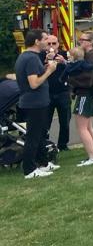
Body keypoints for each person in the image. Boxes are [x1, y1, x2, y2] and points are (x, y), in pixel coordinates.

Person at [16, 29, 59, 179]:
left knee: (40, 135)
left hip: (37, 102)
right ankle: (29, 169)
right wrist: (50, 71)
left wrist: (46, 68)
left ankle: (43, 163)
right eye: (45, 39)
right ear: (36, 41)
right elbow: (34, 84)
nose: (47, 42)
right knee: (33, 137)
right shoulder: (31, 58)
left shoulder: (29, 57)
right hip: (34, 103)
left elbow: (35, 76)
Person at [66, 35, 93, 167]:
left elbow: (87, 79)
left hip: (85, 94)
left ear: (90, 42)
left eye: (82, 40)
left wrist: (69, 81)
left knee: (82, 128)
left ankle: (92, 156)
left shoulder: (89, 57)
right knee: (88, 127)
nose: (79, 42)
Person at [44, 34, 71, 151]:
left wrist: (64, 61)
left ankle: (63, 144)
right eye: (48, 43)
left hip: (63, 92)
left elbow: (74, 68)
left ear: (58, 44)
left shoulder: (64, 54)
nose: (51, 46)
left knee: (65, 121)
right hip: (47, 93)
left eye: (53, 43)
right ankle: (45, 144)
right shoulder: (40, 55)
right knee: (45, 122)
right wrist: (46, 61)